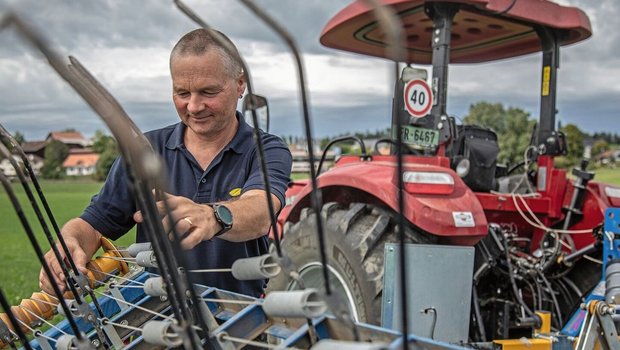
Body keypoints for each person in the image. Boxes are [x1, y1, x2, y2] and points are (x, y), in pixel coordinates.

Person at [39, 29, 292, 297]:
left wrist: (213, 216)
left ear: (240, 84)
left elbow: (260, 210)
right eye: (182, 93)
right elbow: (93, 223)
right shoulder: (144, 152)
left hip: (241, 322)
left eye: (208, 92)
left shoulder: (265, 149)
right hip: (156, 325)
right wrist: (70, 242)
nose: (194, 106)